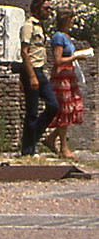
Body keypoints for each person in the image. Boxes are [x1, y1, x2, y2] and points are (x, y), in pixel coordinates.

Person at [21, 0, 61, 156]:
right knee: (32, 111)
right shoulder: (28, 26)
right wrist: (31, 76)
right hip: (31, 71)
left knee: (53, 106)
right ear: (36, 8)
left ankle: (32, 139)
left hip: (40, 70)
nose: (49, 11)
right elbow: (24, 52)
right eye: (46, 8)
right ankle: (27, 149)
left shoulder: (41, 27)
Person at [49, 9, 85, 158]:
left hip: (69, 76)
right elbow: (58, 60)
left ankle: (51, 138)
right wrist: (74, 57)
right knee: (64, 110)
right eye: (71, 19)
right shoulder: (58, 37)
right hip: (61, 76)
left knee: (72, 109)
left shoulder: (66, 37)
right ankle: (63, 148)